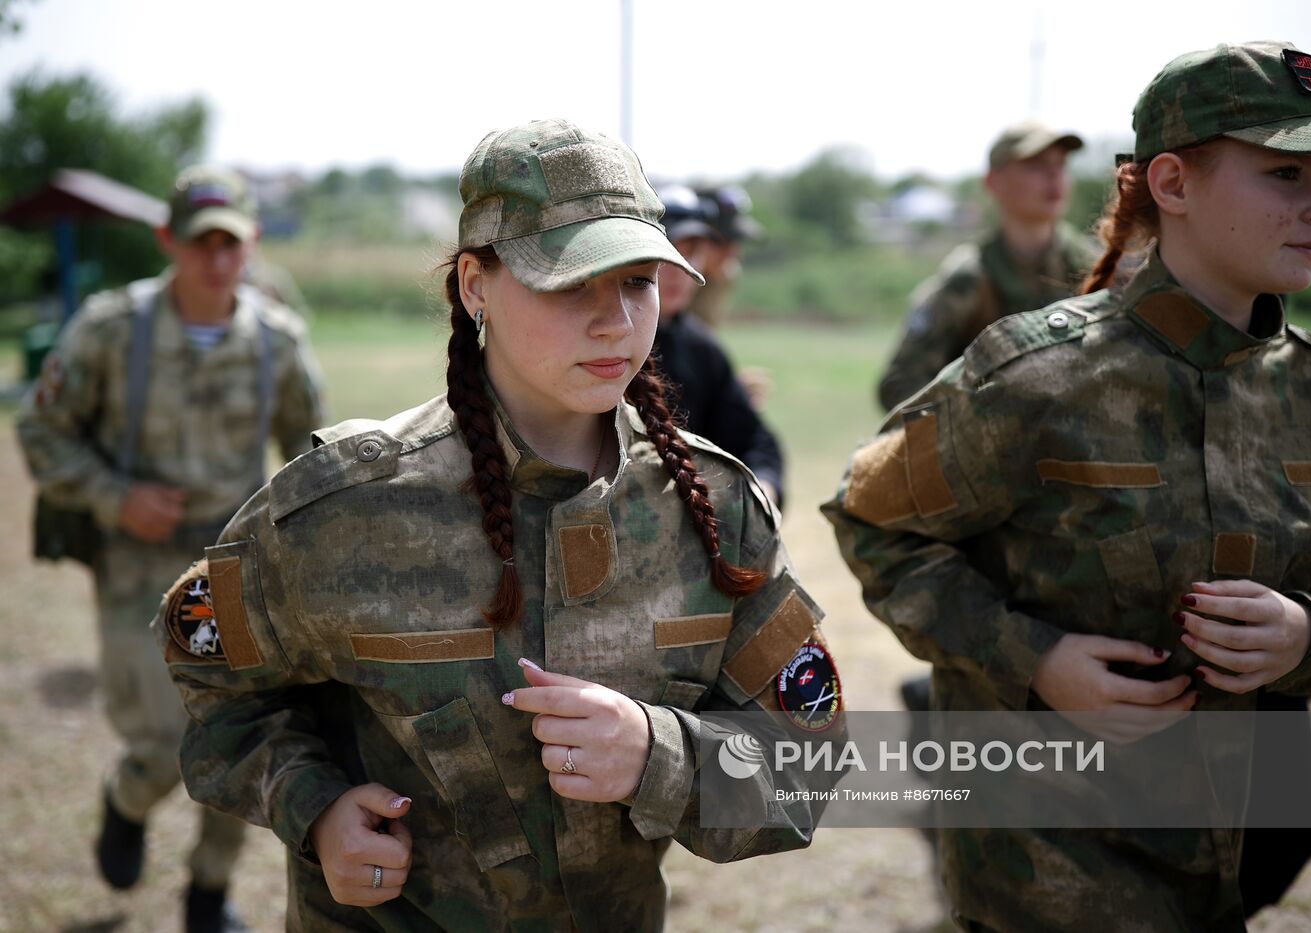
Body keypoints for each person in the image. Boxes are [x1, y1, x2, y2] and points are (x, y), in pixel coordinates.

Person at [153, 120, 841, 930]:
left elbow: (810, 764)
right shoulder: (345, 508)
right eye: (569, 283)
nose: (616, 321)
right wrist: (316, 806)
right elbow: (208, 674)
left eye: (638, 281)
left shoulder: (714, 509)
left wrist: (658, 756)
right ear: (476, 285)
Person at [825, 41, 1311, 931]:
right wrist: (1034, 658)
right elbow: (871, 520)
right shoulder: (1033, 374)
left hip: (1235, 856)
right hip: (1047, 869)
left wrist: (1301, 634)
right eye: (1286, 173)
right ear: (1171, 183)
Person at [16, 165, 326, 931]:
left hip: (234, 573)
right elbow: (40, 427)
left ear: (251, 244)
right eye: (201, 244)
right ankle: (127, 799)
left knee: (244, 741)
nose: (217, 261)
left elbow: (308, 452)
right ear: (168, 241)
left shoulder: (277, 342)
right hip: (137, 566)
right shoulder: (112, 330)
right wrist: (116, 494)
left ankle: (208, 892)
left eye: (231, 244)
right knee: (161, 743)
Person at [876, 120, 1099, 412]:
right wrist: (975, 423)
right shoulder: (969, 278)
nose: (1053, 176)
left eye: (1060, 165)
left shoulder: (1096, 269)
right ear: (993, 182)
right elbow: (899, 383)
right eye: (1035, 166)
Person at [650, 183, 786, 507]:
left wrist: (763, 489)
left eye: (691, 252)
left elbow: (755, 442)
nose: (678, 268)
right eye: (666, 250)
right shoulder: (604, 342)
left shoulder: (701, 348)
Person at [688, 184, 763, 330]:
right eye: (719, 241)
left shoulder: (727, 275)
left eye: (735, 242)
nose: (731, 253)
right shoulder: (663, 273)